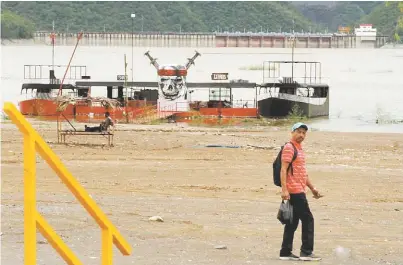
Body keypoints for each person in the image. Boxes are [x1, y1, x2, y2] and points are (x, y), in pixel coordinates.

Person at [279, 122, 322, 261]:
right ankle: (306, 252)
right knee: (308, 219)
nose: (301, 135)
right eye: (299, 132)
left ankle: (285, 252)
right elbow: (283, 169)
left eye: (304, 133)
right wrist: (284, 189)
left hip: (298, 189)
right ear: (292, 132)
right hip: (294, 191)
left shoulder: (299, 149)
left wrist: (312, 188)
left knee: (292, 221)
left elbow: (303, 173)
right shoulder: (289, 147)